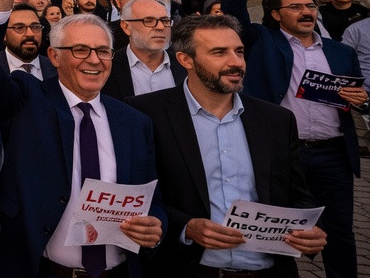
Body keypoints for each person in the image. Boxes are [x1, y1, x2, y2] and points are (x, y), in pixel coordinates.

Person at [0, 0, 164, 278]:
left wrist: (156, 226)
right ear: (54, 56)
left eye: (103, 51)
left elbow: (152, 201)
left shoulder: (135, 122)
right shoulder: (28, 99)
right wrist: (1, 2)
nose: (94, 60)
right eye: (80, 50)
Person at [127, 15, 326, 276]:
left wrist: (308, 230)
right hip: (185, 268)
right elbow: (139, 197)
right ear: (186, 60)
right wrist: (186, 227)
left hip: (266, 269)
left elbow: (296, 195)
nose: (235, 63)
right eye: (219, 53)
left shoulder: (276, 119)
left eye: (239, 51)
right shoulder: (145, 114)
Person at [221, 0, 365, 278]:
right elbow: (233, 11)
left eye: (311, 6)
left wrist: (362, 100)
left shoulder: (339, 51)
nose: (307, 12)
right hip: (281, 154)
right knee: (272, 234)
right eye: (296, 7)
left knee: (339, 232)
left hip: (332, 155)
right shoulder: (262, 41)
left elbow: (359, 94)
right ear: (275, 14)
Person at [102, 0, 186, 100]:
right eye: (149, 21)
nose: (160, 27)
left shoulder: (186, 65)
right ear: (126, 27)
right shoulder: (106, 67)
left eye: (165, 21)